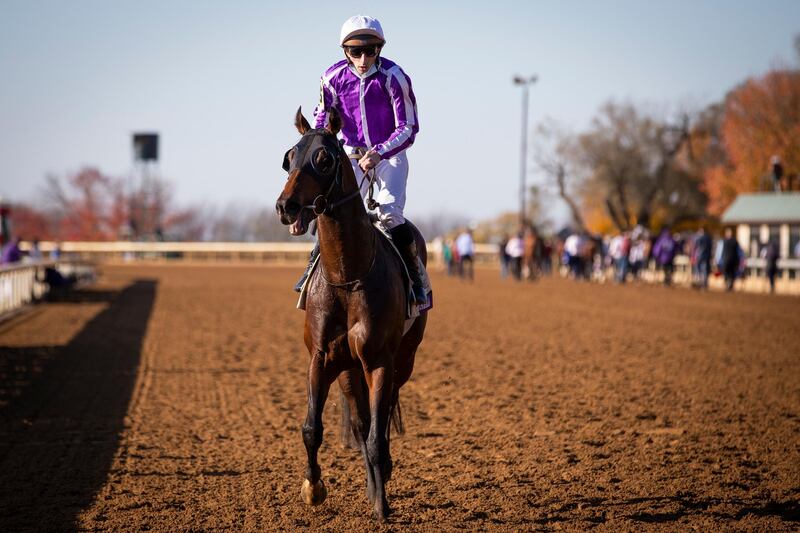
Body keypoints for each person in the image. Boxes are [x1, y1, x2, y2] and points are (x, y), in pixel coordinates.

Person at [294, 15, 425, 304]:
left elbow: (409, 127)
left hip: (388, 156)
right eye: (356, 51)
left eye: (371, 50)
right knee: (330, 214)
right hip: (350, 154)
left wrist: (379, 151)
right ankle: (311, 272)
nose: (364, 58)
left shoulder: (394, 77)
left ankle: (416, 281)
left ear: (380, 48)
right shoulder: (331, 78)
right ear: (345, 51)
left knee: (390, 216)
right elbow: (321, 120)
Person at [717, 227, 742, 292]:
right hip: (730, 260)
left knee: (729, 273)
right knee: (729, 273)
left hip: (728, 260)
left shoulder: (724, 241)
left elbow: (719, 251)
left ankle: (729, 285)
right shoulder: (734, 241)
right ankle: (729, 284)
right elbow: (739, 252)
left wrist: (718, 260)